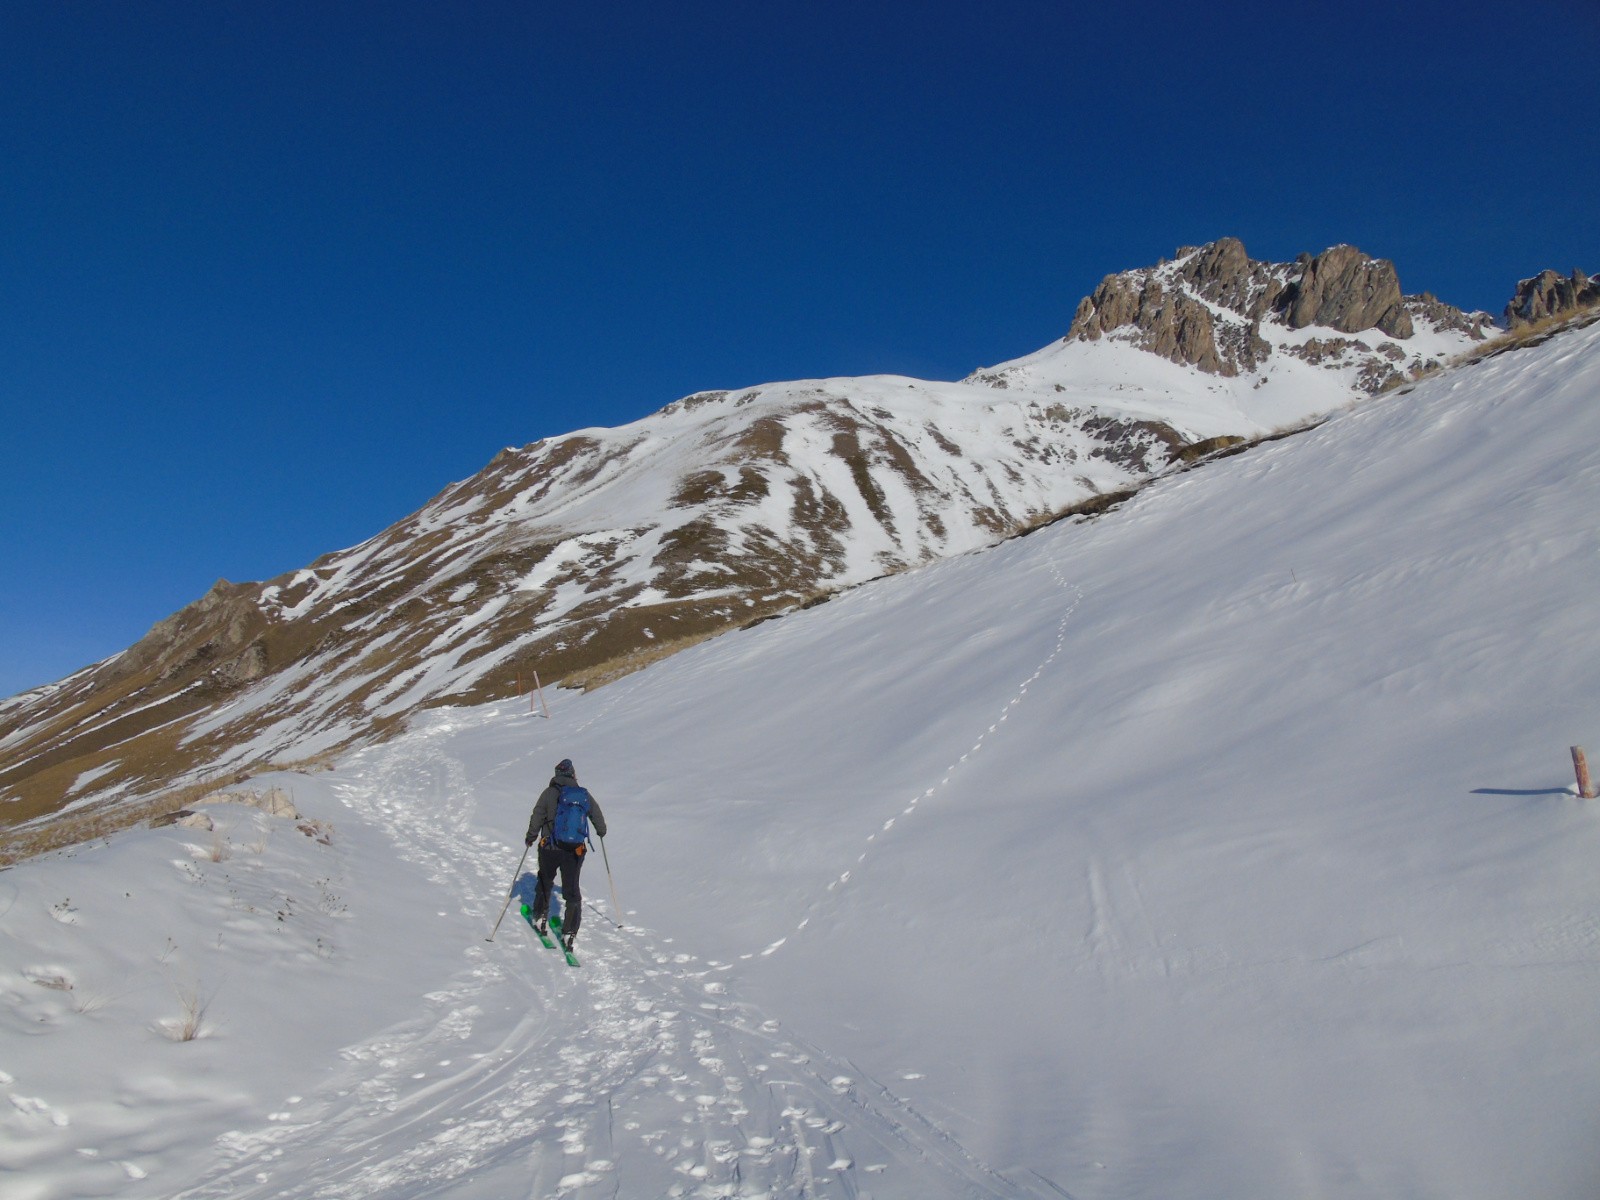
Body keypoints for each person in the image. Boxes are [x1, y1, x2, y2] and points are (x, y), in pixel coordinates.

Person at [525, 758, 606, 952]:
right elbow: (597, 816)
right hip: (574, 851)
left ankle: (540, 916)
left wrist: (531, 836)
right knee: (571, 888)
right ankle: (570, 930)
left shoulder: (549, 793)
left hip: (549, 848)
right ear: (573, 773)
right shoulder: (582, 795)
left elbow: (537, 815)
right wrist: (601, 831)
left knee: (545, 881)